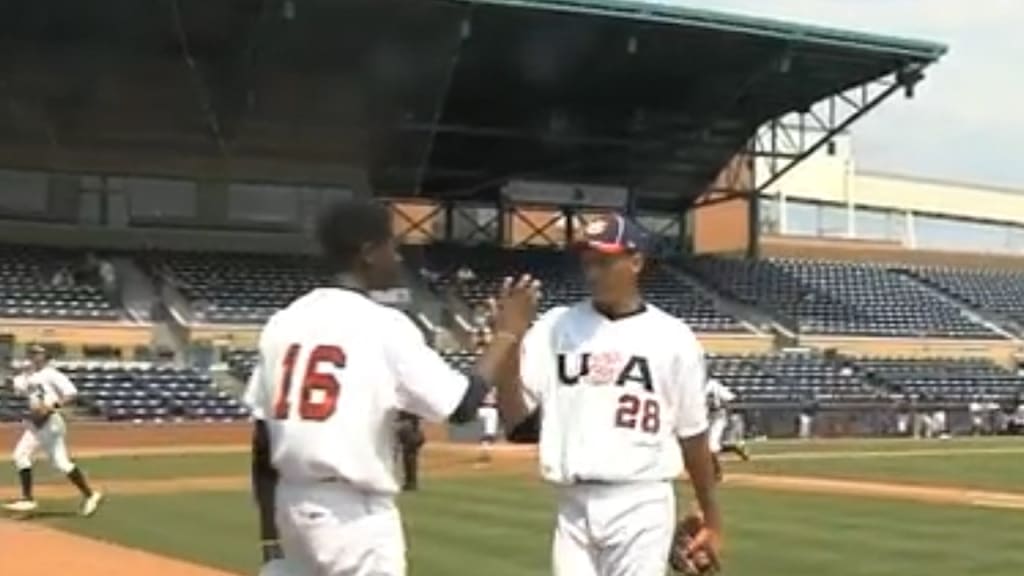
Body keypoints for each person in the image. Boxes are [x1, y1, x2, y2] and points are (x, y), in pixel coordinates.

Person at [243, 199, 537, 576]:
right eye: (391, 247)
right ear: (367, 253)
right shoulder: (383, 325)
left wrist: (270, 537)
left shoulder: (283, 322)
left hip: (293, 506)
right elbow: (463, 406)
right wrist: (508, 333)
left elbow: (262, 441)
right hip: (354, 516)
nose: (398, 258)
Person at [494, 213, 723, 576]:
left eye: (604, 261)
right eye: (588, 262)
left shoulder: (674, 337)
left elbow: (693, 435)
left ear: (635, 261)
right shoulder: (556, 326)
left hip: (641, 500)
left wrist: (711, 517)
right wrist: (508, 345)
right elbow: (516, 424)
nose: (593, 272)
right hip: (573, 504)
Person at [3, 344, 104, 516]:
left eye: (38, 353)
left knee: (21, 455)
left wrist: (52, 407)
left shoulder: (52, 374)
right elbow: (12, 386)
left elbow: (71, 393)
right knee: (60, 463)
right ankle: (90, 495)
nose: (34, 356)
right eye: (32, 353)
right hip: (39, 421)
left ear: (46, 356)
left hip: (49, 420)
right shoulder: (27, 376)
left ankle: (28, 499)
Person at [706, 377, 749, 481]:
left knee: (711, 446)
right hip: (703, 418)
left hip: (717, 417)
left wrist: (726, 409)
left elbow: (731, 398)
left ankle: (718, 473)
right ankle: (734, 448)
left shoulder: (713, 384)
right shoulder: (692, 385)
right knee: (701, 446)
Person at [395, 411, 423, 491]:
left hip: (410, 447)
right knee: (411, 465)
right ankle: (411, 483)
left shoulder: (406, 427)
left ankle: (411, 484)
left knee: (409, 465)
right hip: (411, 447)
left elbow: (401, 437)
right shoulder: (413, 427)